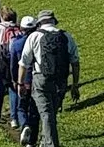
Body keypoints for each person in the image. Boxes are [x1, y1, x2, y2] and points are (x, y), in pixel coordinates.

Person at [19, 10, 81, 147]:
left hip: (41, 79)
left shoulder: (34, 36)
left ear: (39, 23)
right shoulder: (66, 36)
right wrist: (75, 84)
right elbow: (75, 62)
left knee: (46, 114)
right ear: (54, 21)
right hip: (61, 80)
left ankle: (51, 144)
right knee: (51, 114)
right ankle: (45, 142)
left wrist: (20, 84)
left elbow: (24, 63)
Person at [8, 16, 38, 144]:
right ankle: (32, 142)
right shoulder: (38, 42)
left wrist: (14, 80)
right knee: (34, 110)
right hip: (36, 79)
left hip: (23, 80)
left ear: (21, 29)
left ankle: (24, 125)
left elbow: (13, 64)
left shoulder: (16, 43)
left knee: (21, 108)